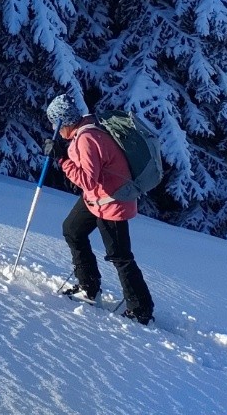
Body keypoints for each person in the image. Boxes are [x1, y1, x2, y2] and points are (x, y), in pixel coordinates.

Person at [45, 93, 155, 325]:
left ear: (65, 121)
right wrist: (64, 154)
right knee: (72, 230)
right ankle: (88, 287)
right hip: (96, 200)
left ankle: (141, 309)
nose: (55, 129)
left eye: (56, 124)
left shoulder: (87, 138)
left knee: (120, 255)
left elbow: (87, 180)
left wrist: (62, 159)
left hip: (112, 203)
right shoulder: (86, 128)